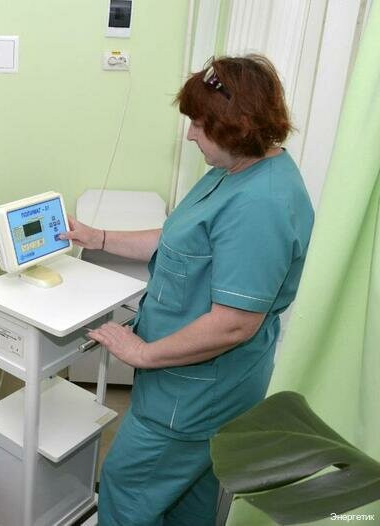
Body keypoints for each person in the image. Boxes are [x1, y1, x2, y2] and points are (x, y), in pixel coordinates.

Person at [63, 55, 314, 525]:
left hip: (196, 396)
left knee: (126, 484)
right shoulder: (233, 170)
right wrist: (99, 237)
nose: (190, 135)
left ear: (237, 125)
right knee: (191, 498)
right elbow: (179, 240)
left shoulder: (262, 204)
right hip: (194, 386)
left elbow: (235, 323)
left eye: (199, 125)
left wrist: (142, 353)